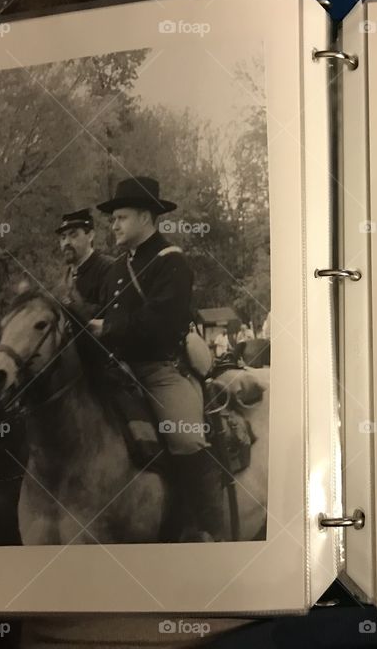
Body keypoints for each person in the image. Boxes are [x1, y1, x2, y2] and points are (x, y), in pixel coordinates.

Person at [92, 176, 225, 541]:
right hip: (117, 372)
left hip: (160, 371)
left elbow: (160, 323)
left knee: (185, 438)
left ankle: (209, 530)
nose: (113, 225)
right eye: (113, 219)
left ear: (146, 217)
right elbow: (101, 314)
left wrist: (108, 328)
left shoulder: (172, 262)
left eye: (121, 217)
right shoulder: (117, 269)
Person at [54, 208, 114, 326]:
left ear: (90, 236)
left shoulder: (108, 267)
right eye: (63, 237)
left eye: (73, 235)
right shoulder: (66, 275)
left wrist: (75, 305)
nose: (66, 242)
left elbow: (113, 316)